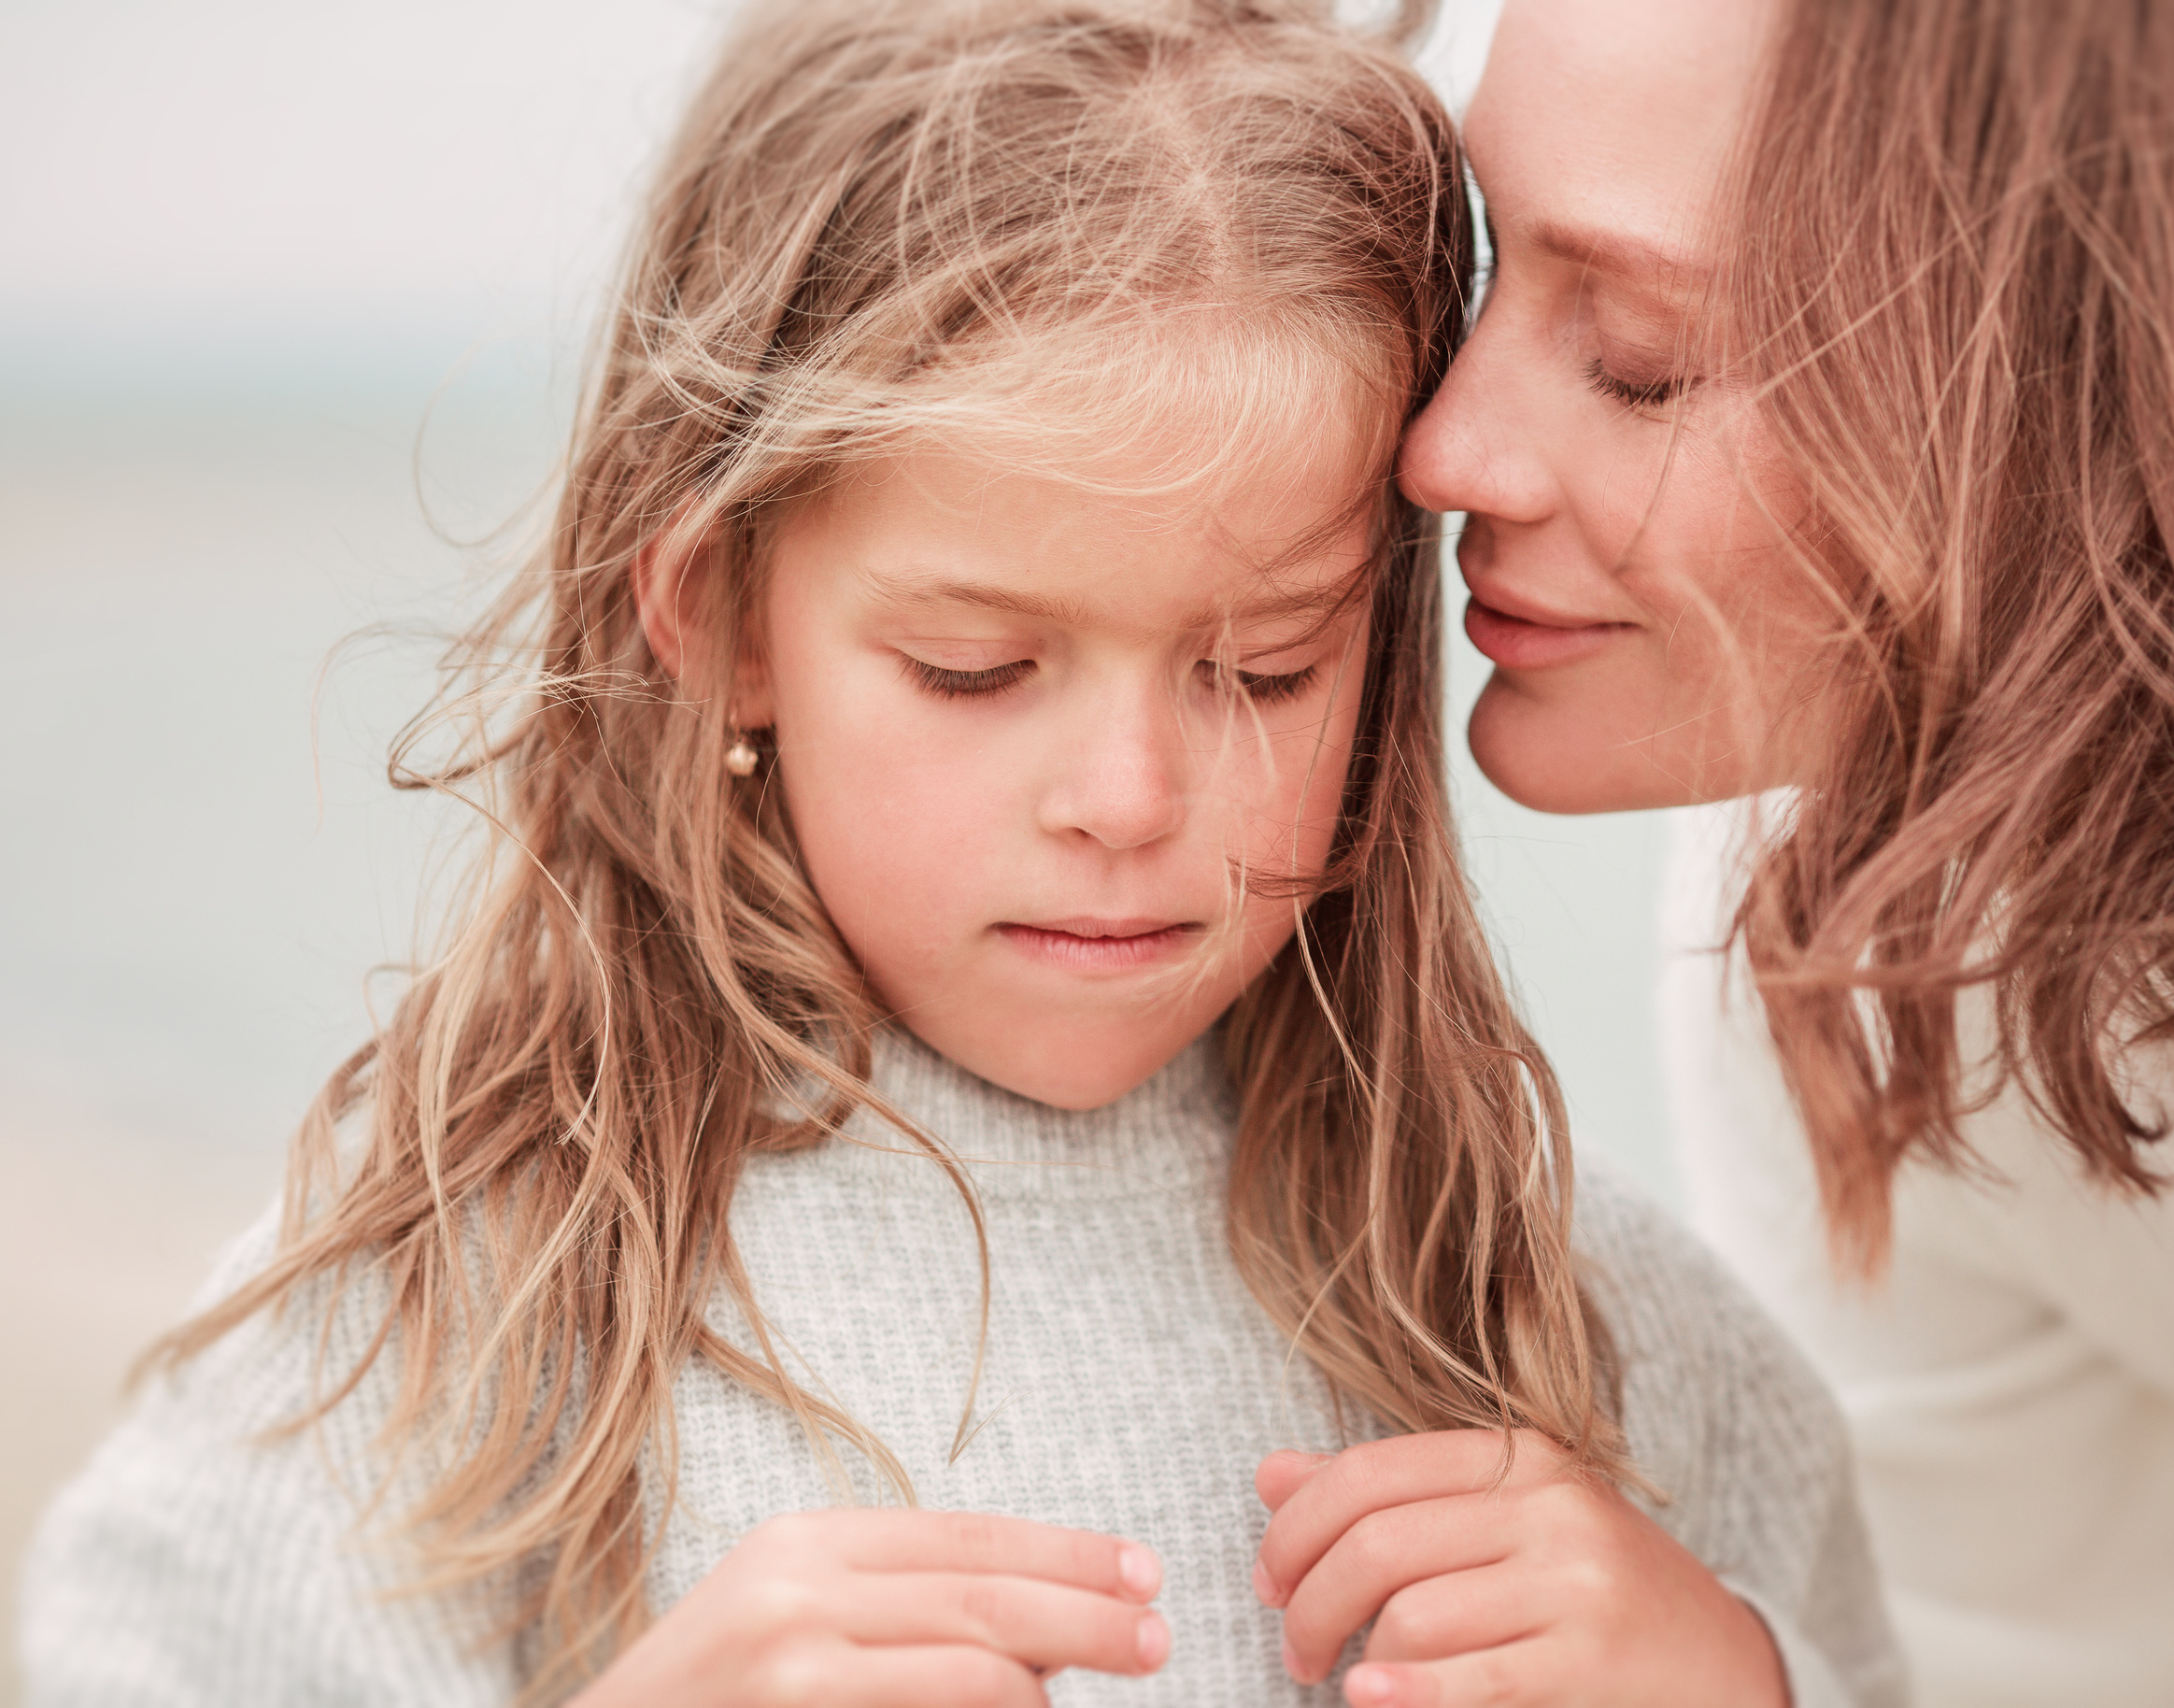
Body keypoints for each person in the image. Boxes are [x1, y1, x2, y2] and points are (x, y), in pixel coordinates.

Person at [19, 2, 1905, 1704]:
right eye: (976, 666)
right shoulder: (461, 1295)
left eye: (1260, 665)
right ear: (721, 618)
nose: (1127, 794)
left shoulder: (1582, 1331)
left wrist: (1743, 1685)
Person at [1400, 0, 2174, 1701]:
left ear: (2106, 382)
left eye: (1640, 355)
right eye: (1483, 268)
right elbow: (2014, 1654)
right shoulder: (1857, 941)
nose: (1443, 453)